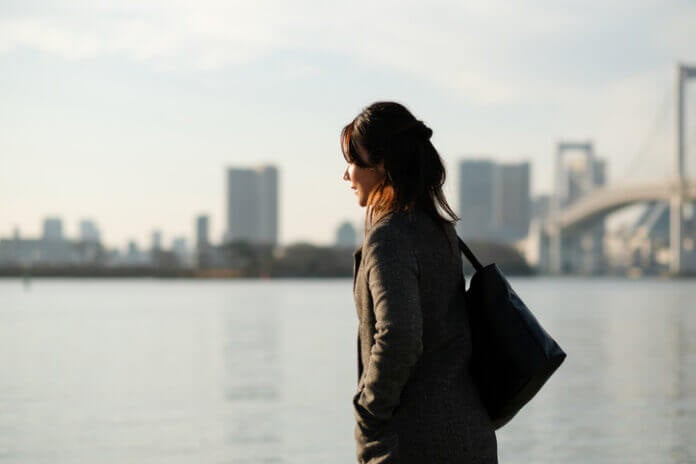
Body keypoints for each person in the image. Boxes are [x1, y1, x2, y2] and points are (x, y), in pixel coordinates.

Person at [341, 102, 498, 463]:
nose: (346, 175)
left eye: (352, 161)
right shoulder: (440, 232)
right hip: (471, 435)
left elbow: (400, 336)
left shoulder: (389, 239)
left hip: (414, 443)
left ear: (382, 165)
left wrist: (368, 414)